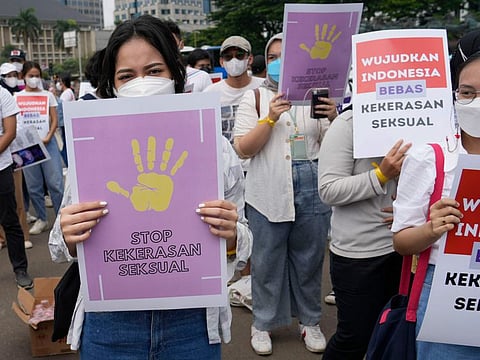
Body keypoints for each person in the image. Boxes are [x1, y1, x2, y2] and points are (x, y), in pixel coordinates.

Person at [48, 15, 252, 359]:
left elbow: (244, 242)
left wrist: (231, 235)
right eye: (126, 75)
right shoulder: (91, 148)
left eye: (154, 71)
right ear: (113, 85)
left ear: (175, 73)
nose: (141, 83)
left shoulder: (213, 147)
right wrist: (69, 233)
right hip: (110, 323)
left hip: (191, 324)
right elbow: (57, 246)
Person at [233, 33, 336, 355]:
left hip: (311, 185)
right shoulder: (254, 99)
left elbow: (334, 146)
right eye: (273, 56)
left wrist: (334, 116)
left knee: (308, 259)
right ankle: (262, 324)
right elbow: (243, 148)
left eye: (285, 57)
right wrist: (271, 117)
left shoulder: (315, 97)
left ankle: (310, 321)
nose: (279, 63)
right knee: (266, 261)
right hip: (268, 190)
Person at [391, 53, 480, 359]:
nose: (476, 102)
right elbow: (402, 242)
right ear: (455, 95)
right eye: (468, 92)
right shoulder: (431, 157)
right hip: (447, 289)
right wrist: (431, 228)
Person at [318, 102, 411, 358]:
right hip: (360, 254)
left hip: (410, 247)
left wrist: (413, 210)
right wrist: (381, 175)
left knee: (398, 332)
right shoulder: (348, 124)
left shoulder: (424, 120)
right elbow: (329, 189)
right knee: (355, 338)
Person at [15, 62, 64, 235]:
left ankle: (61, 219)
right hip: (28, 146)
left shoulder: (48, 95)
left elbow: (54, 118)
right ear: (23, 77)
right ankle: (42, 219)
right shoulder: (16, 97)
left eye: (37, 75)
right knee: (33, 185)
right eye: (31, 75)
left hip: (47, 142)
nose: (34, 79)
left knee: (55, 183)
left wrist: (50, 135)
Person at [0, 85, 33, 288]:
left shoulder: (2, 94)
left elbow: (10, 132)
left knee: (10, 220)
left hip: (1, 167)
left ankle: (20, 269)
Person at [204, 36, 264, 143]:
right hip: (226, 157)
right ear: (221, 62)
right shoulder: (210, 94)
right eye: (228, 57)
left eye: (239, 56)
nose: (234, 60)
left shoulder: (263, 87)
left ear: (249, 59)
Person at [164, 20, 212, 92]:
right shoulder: (150, 81)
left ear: (181, 44)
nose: (167, 47)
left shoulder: (201, 77)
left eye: (171, 43)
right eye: (163, 43)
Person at [57, 74, 75, 167]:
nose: (58, 84)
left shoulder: (66, 93)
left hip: (64, 123)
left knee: (65, 146)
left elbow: (61, 107)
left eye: (59, 82)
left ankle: (68, 164)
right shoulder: (69, 92)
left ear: (63, 83)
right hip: (66, 122)